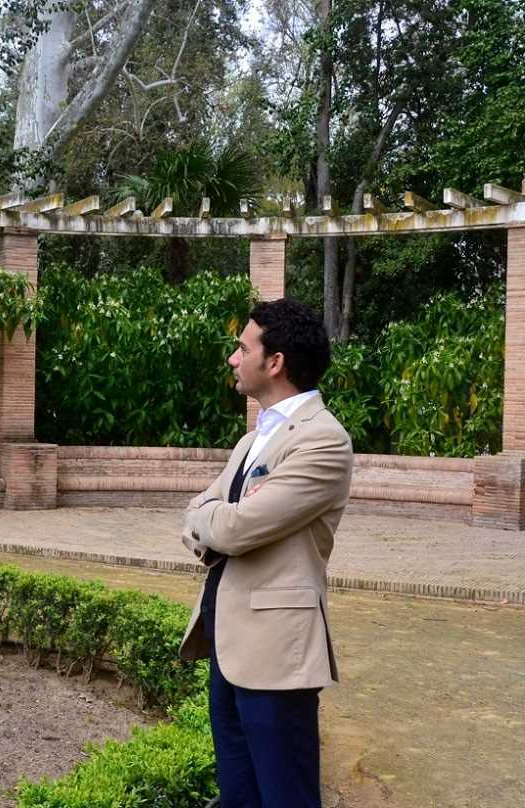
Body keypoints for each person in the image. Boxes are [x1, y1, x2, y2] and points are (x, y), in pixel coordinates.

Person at [180, 298, 353, 808]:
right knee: (238, 796)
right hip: (227, 642)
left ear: (274, 362)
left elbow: (232, 530)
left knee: (286, 797)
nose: (234, 359)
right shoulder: (252, 438)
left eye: (242, 348)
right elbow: (199, 515)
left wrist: (212, 519)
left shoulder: (324, 441)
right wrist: (210, 518)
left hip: (278, 654)